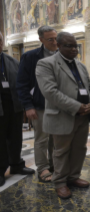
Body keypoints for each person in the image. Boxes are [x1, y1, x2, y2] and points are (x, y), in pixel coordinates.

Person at [36, 32, 90, 199]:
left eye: (75, 46)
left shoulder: (80, 65)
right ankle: (60, 182)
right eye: (69, 46)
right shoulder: (46, 64)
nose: (73, 49)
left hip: (83, 116)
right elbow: (50, 92)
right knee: (61, 151)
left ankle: (73, 177)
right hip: (62, 115)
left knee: (79, 149)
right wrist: (77, 107)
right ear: (59, 46)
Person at [17, 26, 57, 183]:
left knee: (57, 138)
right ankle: (43, 168)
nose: (55, 42)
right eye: (50, 39)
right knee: (41, 138)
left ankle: (55, 165)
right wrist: (28, 105)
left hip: (58, 105)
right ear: (41, 39)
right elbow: (21, 84)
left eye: (56, 38)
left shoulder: (61, 54)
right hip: (39, 105)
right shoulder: (30, 57)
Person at [0, 31, 35, 187]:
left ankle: (16, 164)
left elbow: (22, 82)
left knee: (16, 138)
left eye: (0, 40)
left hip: (14, 105)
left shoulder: (11, 61)